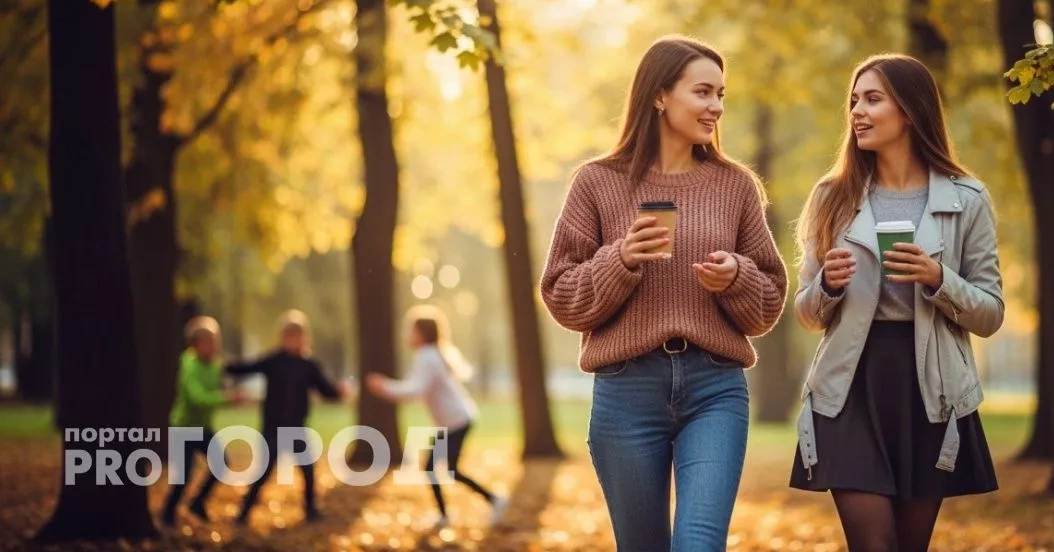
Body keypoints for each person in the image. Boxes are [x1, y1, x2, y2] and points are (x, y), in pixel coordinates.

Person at [540, 35, 787, 550]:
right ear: (659, 95)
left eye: (721, 95)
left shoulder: (734, 185)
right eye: (703, 92)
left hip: (714, 388)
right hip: (626, 390)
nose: (716, 107)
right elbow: (561, 293)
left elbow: (768, 301)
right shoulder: (596, 183)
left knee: (698, 543)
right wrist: (620, 260)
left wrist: (736, 277)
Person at [788, 54, 1002, 552]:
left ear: (909, 110)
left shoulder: (967, 199)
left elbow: (990, 313)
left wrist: (938, 278)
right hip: (849, 385)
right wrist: (828, 287)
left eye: (872, 99)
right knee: (873, 543)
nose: (857, 111)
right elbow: (804, 310)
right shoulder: (831, 196)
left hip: (929, 387)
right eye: (854, 101)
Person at [366, 305, 507, 529]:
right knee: (435, 468)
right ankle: (455, 512)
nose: (407, 335)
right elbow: (417, 388)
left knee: (446, 469)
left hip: (456, 421)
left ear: (422, 334)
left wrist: (384, 387)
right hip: (452, 421)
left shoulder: (427, 356)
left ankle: (493, 500)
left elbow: (415, 391)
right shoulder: (431, 355)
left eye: (411, 330)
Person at [226, 310, 348, 525]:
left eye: (299, 336)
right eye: (291, 336)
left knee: (308, 470)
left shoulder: (308, 365)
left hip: (296, 428)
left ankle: (310, 510)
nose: (295, 340)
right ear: (283, 338)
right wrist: (226, 366)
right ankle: (243, 512)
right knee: (263, 472)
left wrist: (339, 392)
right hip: (272, 428)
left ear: (304, 338)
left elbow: (325, 389)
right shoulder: (273, 361)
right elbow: (248, 367)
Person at [161, 315, 241, 526]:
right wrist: (226, 399)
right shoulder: (189, 365)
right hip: (183, 428)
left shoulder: (215, 365)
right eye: (209, 342)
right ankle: (167, 514)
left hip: (203, 428)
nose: (214, 346)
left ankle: (197, 503)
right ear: (195, 344)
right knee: (182, 477)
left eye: (216, 341)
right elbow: (197, 398)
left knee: (221, 463)